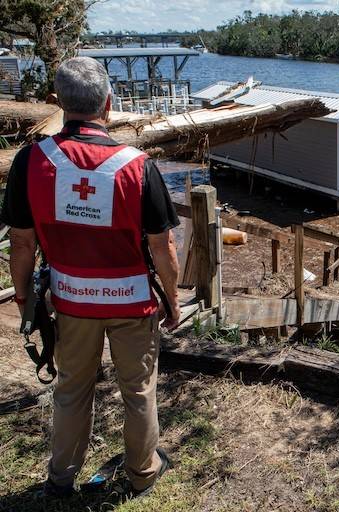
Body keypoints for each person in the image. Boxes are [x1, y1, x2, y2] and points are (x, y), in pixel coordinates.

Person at [0, 57, 181, 498]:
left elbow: (21, 243)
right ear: (108, 103)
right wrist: (173, 300)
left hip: (71, 301)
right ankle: (142, 473)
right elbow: (163, 248)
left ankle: (61, 479)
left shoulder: (30, 161)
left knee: (70, 390)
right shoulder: (138, 165)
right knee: (138, 391)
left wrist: (24, 298)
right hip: (132, 303)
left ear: (59, 103)